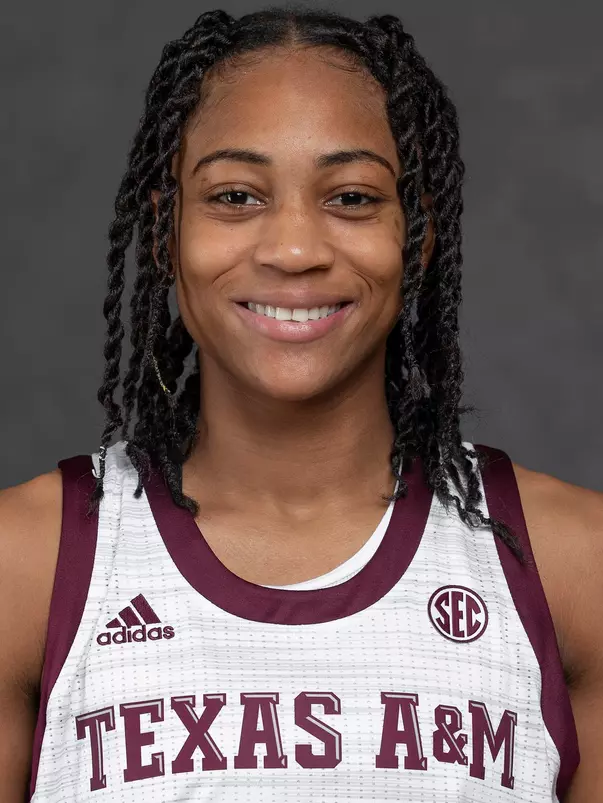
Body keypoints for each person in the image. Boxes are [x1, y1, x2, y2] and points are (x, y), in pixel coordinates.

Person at [1, 5, 602, 801]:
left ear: (414, 235)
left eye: (351, 197)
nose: (292, 250)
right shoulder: (27, 566)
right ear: (164, 232)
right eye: (235, 196)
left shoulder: (571, 564)